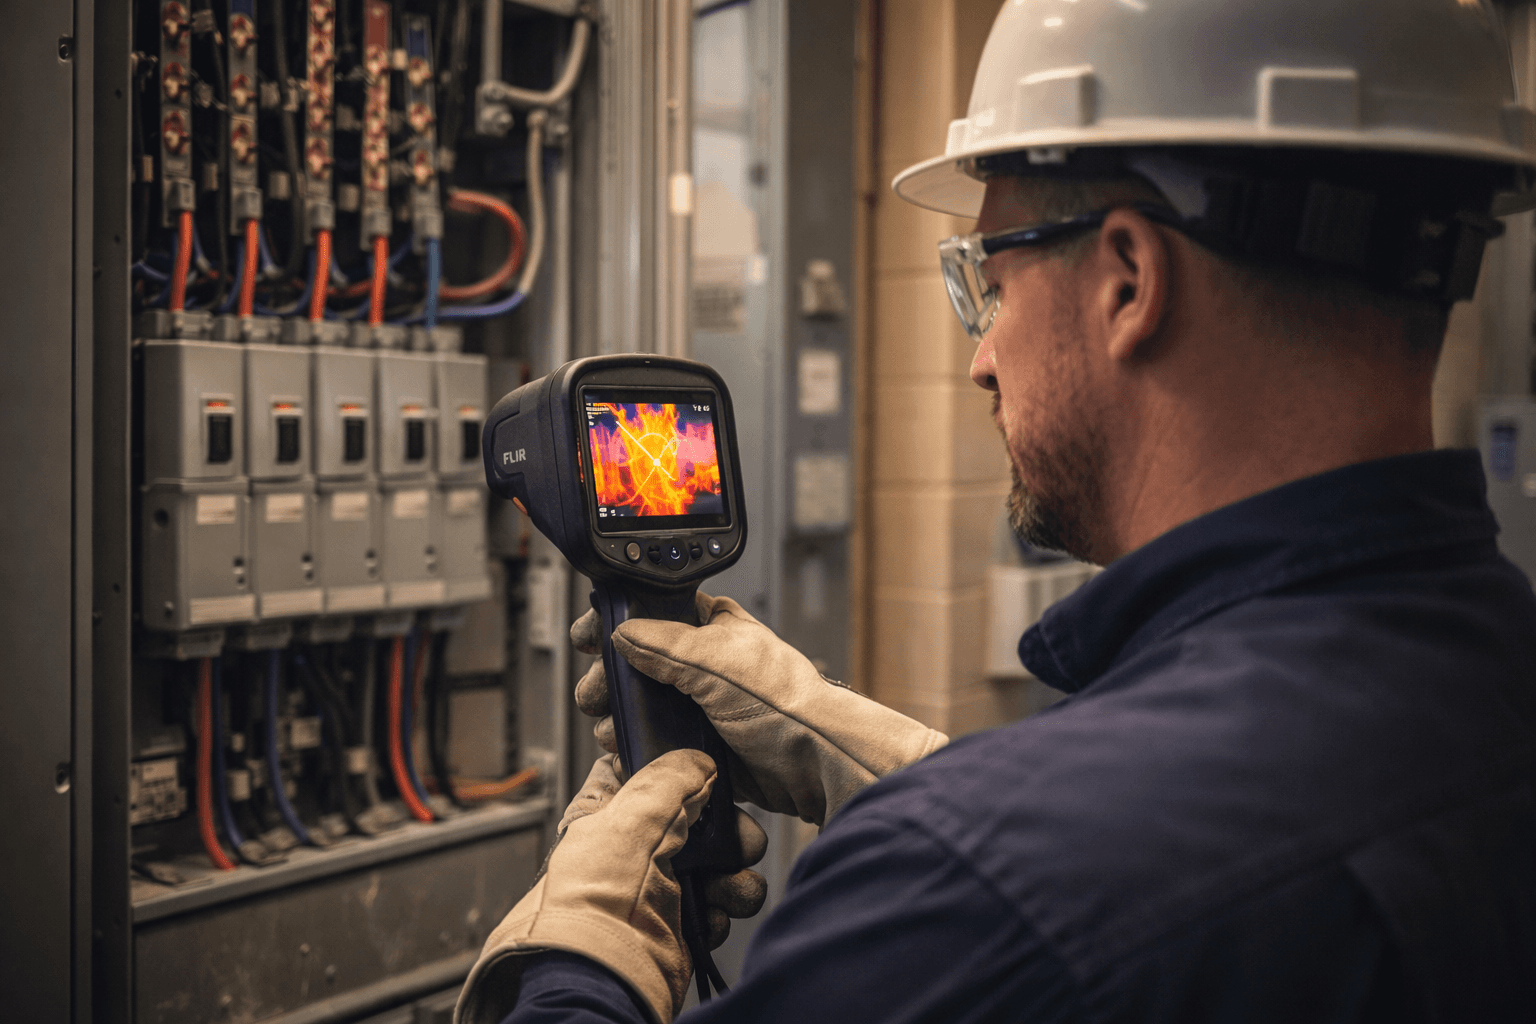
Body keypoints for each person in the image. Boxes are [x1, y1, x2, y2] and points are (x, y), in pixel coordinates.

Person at [457, 2, 1536, 1021]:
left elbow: (1073, 885)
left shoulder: (984, 892)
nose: (981, 359)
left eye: (989, 282)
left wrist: (575, 952)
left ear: (1128, 280)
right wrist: (910, 772)